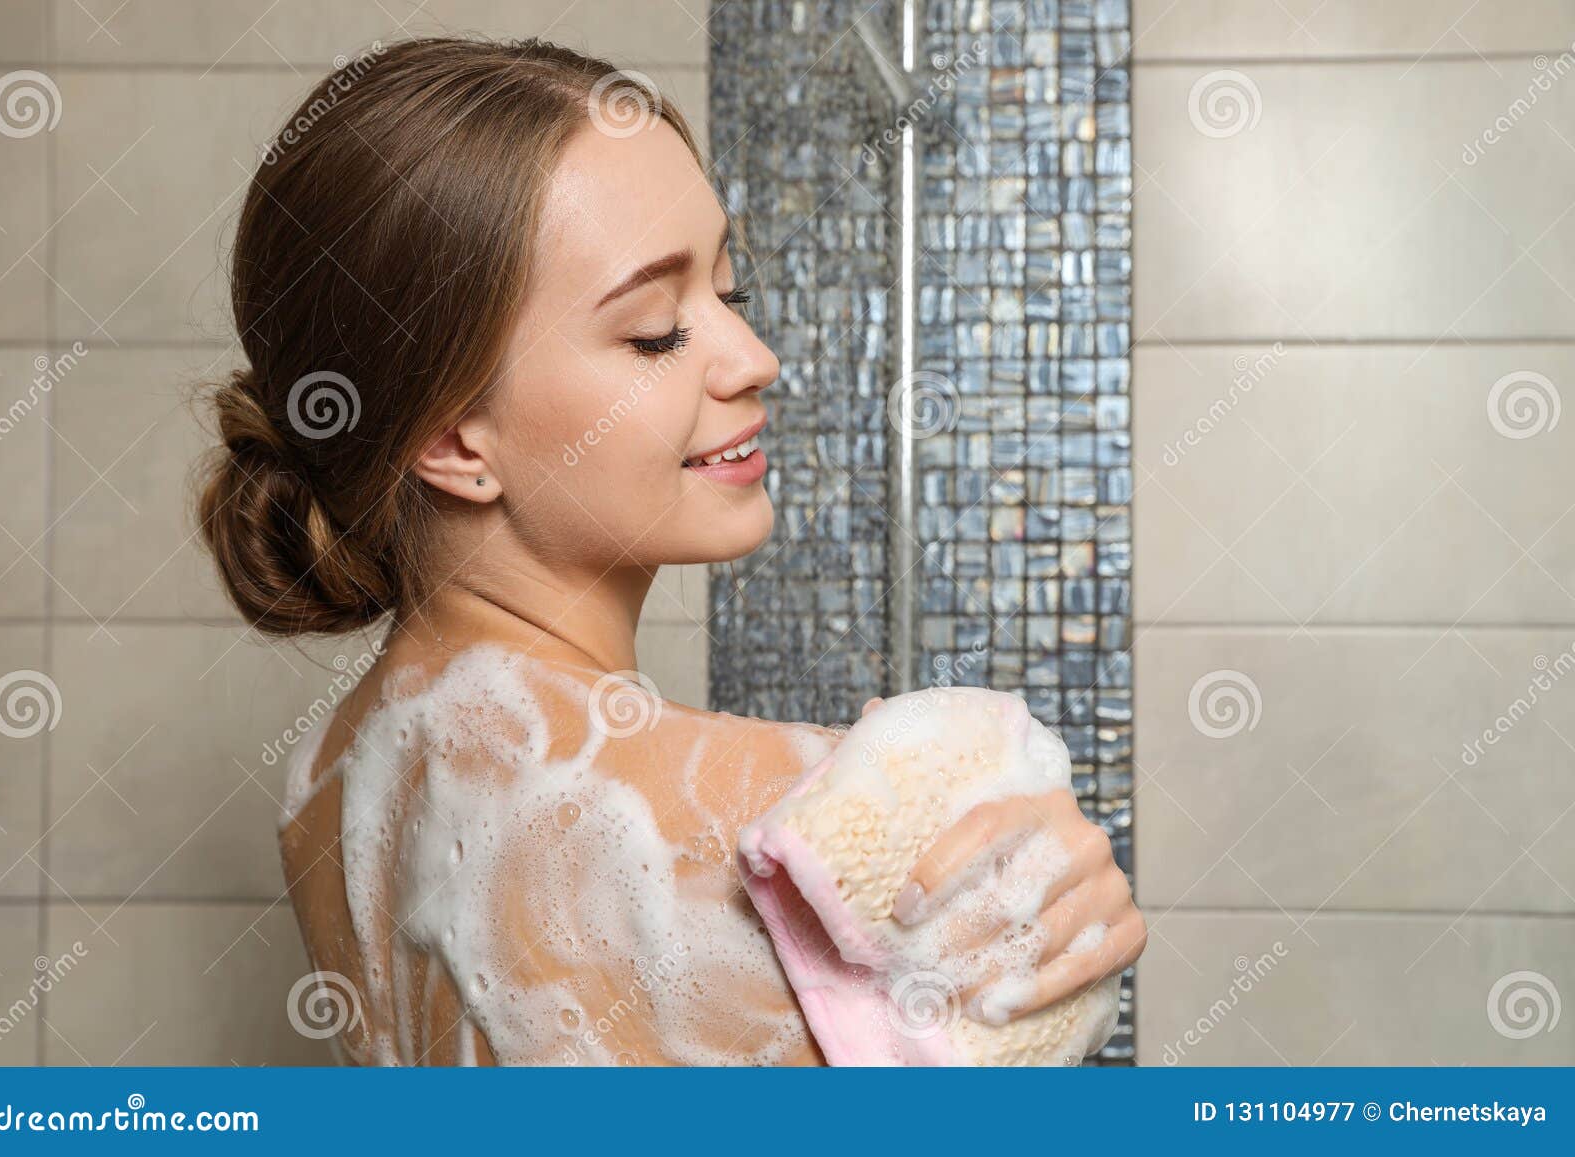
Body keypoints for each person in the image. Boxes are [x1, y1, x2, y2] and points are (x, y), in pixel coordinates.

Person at [194, 36, 1145, 1065]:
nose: (753, 358)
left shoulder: (332, 782)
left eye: (726, 293)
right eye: (655, 331)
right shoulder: (801, 825)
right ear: (451, 439)